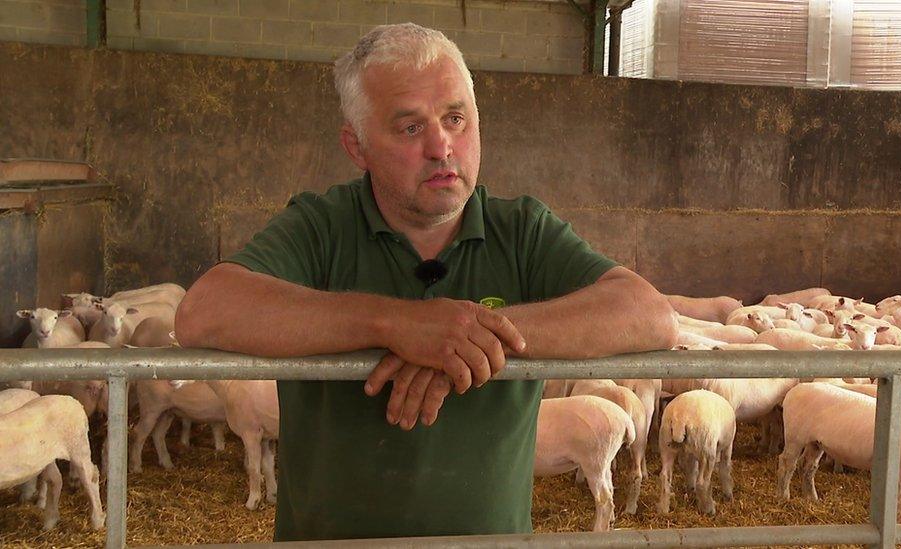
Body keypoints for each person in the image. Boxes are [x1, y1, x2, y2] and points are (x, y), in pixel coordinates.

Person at [174, 23, 678, 541]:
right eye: (410, 128)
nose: (442, 147)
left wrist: (465, 338)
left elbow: (649, 313)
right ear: (358, 146)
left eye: (456, 119)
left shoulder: (522, 231)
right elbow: (204, 309)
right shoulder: (321, 227)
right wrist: (396, 323)